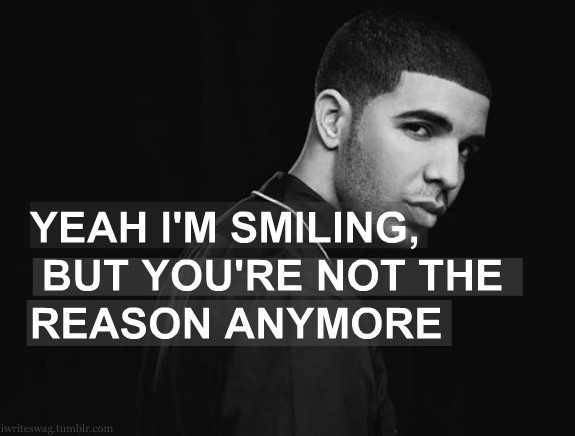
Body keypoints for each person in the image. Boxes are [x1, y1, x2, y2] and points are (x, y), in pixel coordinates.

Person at [138, 9, 491, 436]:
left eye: (466, 150)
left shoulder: (238, 234)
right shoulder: (298, 294)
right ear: (333, 120)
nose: (450, 175)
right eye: (420, 128)